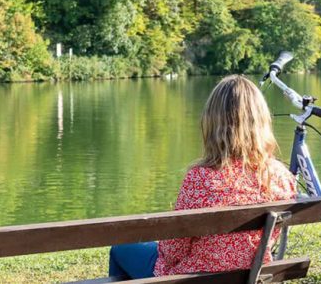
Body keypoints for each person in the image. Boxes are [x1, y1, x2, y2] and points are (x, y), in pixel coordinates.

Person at [108, 75, 297, 279]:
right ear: (261, 122)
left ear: (212, 122)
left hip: (192, 278)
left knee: (120, 249)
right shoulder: (281, 176)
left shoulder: (201, 179)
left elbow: (172, 253)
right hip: (251, 275)